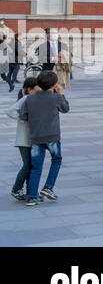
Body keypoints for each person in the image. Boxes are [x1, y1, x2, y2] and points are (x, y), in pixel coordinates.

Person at [21, 70, 67, 206]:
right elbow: (65, 108)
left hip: (36, 137)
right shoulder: (56, 97)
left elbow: (23, 116)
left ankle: (32, 197)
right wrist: (61, 93)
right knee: (56, 159)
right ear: (54, 85)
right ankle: (48, 187)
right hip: (52, 136)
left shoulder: (30, 98)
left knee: (36, 166)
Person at [8, 76, 38, 202]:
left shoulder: (31, 99)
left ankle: (29, 191)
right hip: (23, 140)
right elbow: (10, 111)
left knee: (30, 165)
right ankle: (16, 189)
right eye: (37, 89)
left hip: (29, 139)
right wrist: (23, 119)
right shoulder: (26, 98)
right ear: (30, 89)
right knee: (27, 166)